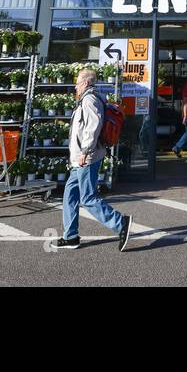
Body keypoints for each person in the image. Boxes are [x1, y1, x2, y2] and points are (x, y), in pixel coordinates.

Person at [55, 67, 133, 251]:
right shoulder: (87, 99)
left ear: (87, 83)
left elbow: (93, 127)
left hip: (87, 157)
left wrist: (85, 152)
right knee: (70, 194)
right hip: (80, 159)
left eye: (78, 82)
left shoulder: (90, 100)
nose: (75, 86)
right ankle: (71, 236)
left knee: (88, 197)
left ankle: (120, 223)